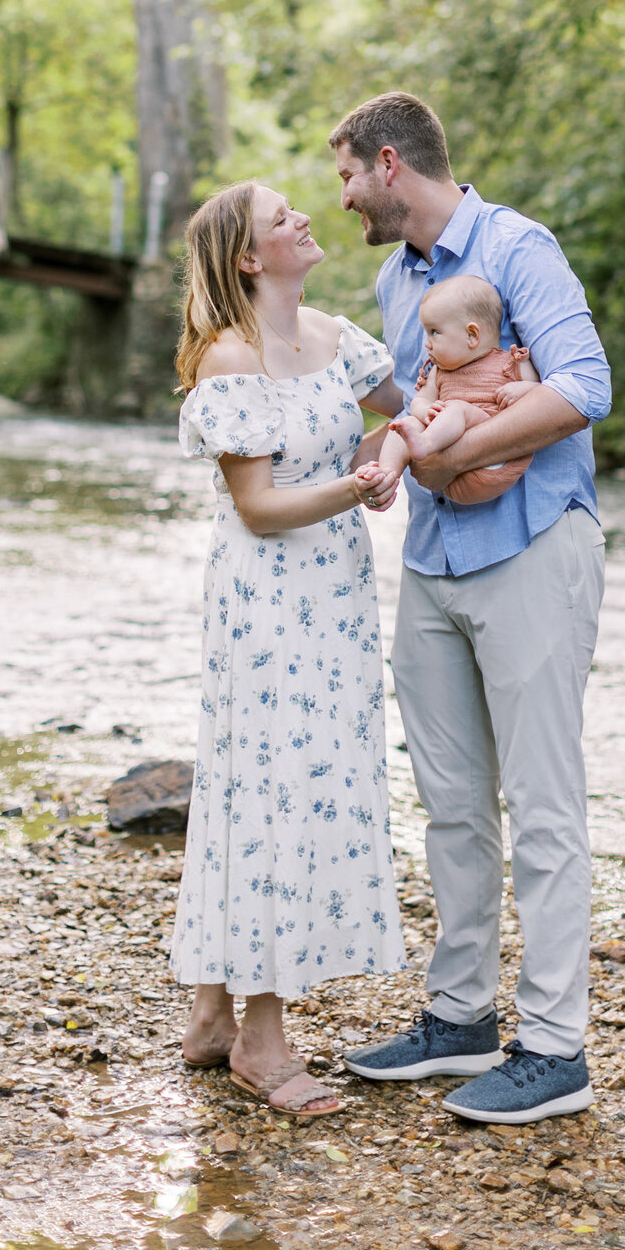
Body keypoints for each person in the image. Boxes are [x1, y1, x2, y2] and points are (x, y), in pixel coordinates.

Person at [330, 92, 612, 1125]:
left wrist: (458, 452)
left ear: (389, 163)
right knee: (451, 799)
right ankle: (461, 1019)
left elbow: (586, 385)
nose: (347, 197)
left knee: (543, 804)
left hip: (536, 545)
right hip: (435, 560)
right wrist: (394, 446)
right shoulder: (391, 278)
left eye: (349, 176)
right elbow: (416, 404)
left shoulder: (519, 247)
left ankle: (556, 1048)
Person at [171, 179, 407, 1119]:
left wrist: (397, 453)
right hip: (266, 605)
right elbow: (261, 511)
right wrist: (360, 487)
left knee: (292, 787)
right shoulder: (232, 359)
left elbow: (408, 411)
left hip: (337, 596)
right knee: (267, 793)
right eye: (282, 219)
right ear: (246, 257)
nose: (305, 219)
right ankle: (262, 1047)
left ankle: (211, 1018)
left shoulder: (340, 337)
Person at [378, 273, 541, 506]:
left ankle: (424, 444)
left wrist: (523, 389)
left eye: (434, 332)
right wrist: (425, 412)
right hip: (448, 476)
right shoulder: (438, 372)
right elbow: (419, 401)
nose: (427, 342)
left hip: (494, 464)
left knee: (456, 409)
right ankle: (385, 476)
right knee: (402, 424)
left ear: (472, 335)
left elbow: (543, 393)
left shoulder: (511, 363)